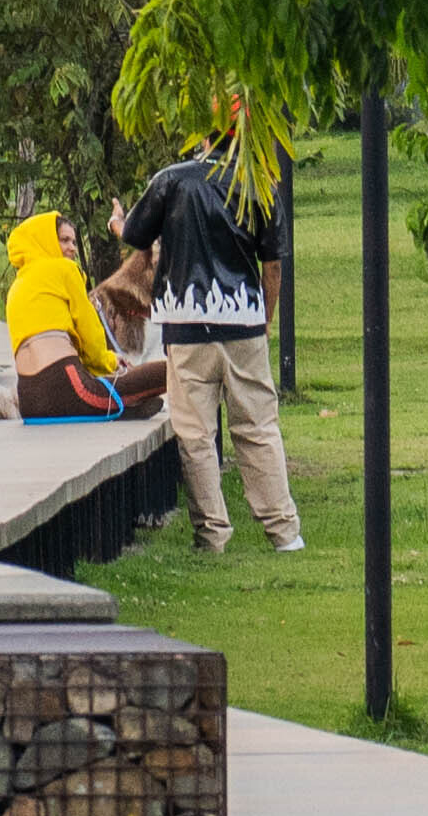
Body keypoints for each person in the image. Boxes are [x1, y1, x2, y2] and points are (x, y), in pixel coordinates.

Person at [112, 128, 300, 551]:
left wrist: (119, 222)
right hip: (243, 320)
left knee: (195, 434)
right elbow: (272, 265)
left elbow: (134, 237)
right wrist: (264, 320)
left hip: (186, 322)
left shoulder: (171, 180)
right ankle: (284, 531)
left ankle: (212, 533)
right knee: (258, 426)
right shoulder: (258, 185)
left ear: (202, 141)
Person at [0, 202, 167, 421]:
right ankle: (121, 406)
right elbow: (91, 337)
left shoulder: (18, 285)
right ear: (45, 240)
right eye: (64, 240)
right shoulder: (64, 270)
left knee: (115, 393)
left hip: (29, 401)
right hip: (67, 388)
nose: (72, 248)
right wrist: (111, 362)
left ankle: (124, 409)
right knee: (168, 372)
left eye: (74, 241)